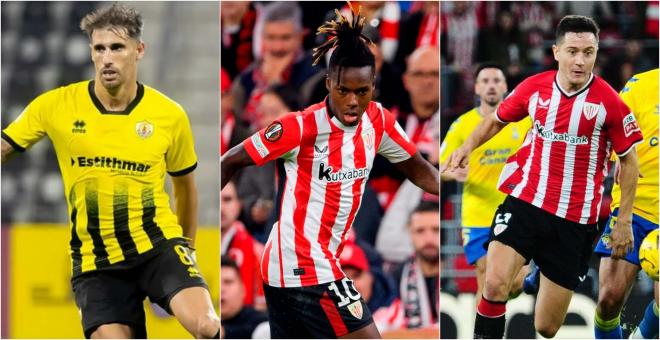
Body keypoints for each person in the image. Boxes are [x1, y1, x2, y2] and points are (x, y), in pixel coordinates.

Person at [0, 5, 219, 338]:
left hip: (158, 247)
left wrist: (186, 246)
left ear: (139, 50)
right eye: (99, 48)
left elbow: (185, 188)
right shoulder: (55, 105)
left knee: (207, 326)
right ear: (90, 52)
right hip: (97, 262)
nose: (107, 58)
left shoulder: (169, 115)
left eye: (116, 48)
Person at [221, 5, 439, 339]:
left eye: (362, 91)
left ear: (373, 86)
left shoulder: (378, 121)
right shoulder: (300, 128)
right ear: (328, 82)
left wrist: (452, 187)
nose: (353, 101)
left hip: (297, 264)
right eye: (343, 90)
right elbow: (232, 160)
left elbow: (419, 169)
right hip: (302, 262)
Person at [444, 15, 643, 338]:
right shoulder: (534, 88)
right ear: (556, 52)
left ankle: (531, 275)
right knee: (493, 285)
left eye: (588, 52)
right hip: (526, 201)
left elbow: (630, 161)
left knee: (546, 327)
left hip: (574, 220)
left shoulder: (610, 102)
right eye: (573, 51)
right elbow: (497, 119)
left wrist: (624, 221)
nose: (580, 60)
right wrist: (467, 146)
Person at [440, 63, 532, 305]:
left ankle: (532, 280)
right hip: (478, 214)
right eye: (485, 81)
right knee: (486, 278)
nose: (491, 85)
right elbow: (439, 168)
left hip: (516, 212)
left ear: (505, 87)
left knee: (515, 282)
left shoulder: (523, 121)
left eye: (496, 80)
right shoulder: (462, 125)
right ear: (477, 88)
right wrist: (453, 174)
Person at [593, 68, 658, 339]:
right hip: (636, 205)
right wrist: (621, 157)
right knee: (609, 297)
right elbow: (612, 129)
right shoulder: (641, 85)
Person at [231, 1, 324, 129]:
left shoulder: (317, 79)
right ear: (262, 38)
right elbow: (234, 133)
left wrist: (277, 85)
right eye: (271, 37)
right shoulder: (244, 80)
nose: (277, 47)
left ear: (300, 36)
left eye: (285, 38)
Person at [374, 201, 440, 332]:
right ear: (410, 233)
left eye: (436, 230)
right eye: (420, 231)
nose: (428, 239)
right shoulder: (394, 277)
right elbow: (380, 329)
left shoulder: (452, 276)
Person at [221, 180, 265, 309]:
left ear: (238, 205)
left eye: (227, 199)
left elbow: (262, 308)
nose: (221, 207)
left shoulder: (257, 252)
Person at [220, 256, 269, 339]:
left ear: (242, 290)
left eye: (228, 282)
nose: (221, 289)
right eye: (217, 283)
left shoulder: (261, 321)